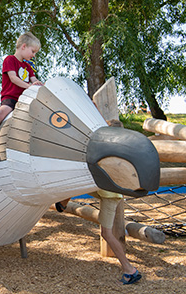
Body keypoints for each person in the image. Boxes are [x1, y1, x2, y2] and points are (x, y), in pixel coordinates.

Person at [55, 120, 142, 285]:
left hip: (110, 195)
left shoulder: (108, 153)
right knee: (77, 183)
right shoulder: (116, 152)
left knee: (106, 233)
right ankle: (63, 202)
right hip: (107, 192)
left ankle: (129, 269)